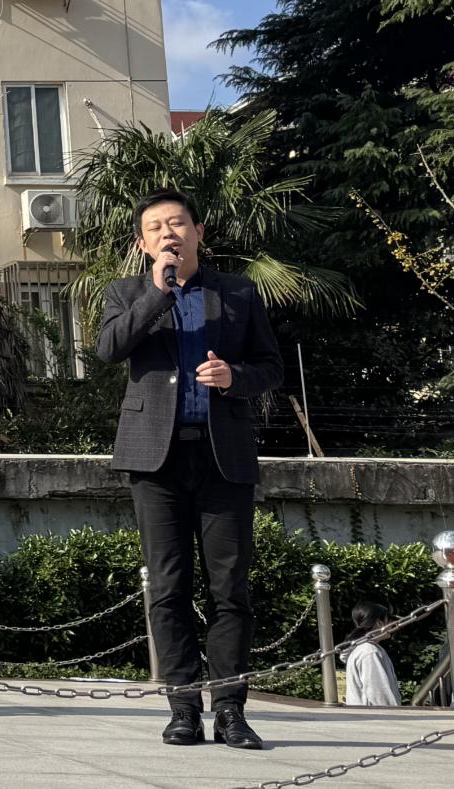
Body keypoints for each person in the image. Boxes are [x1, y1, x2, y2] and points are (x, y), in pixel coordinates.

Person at [96, 189, 283, 750]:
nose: (168, 234)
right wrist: (158, 292)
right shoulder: (126, 292)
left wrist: (235, 378)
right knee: (168, 586)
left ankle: (230, 710)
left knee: (230, 588)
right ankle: (183, 708)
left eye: (177, 224)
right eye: (155, 228)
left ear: (198, 232)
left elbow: (271, 365)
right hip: (156, 461)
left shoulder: (238, 292)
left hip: (224, 458)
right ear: (142, 243)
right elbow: (109, 349)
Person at [343, 601, 401, 707]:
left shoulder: (362, 648)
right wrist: (396, 713)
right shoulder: (370, 652)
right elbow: (379, 694)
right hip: (375, 715)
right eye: (388, 620)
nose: (393, 625)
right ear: (379, 623)